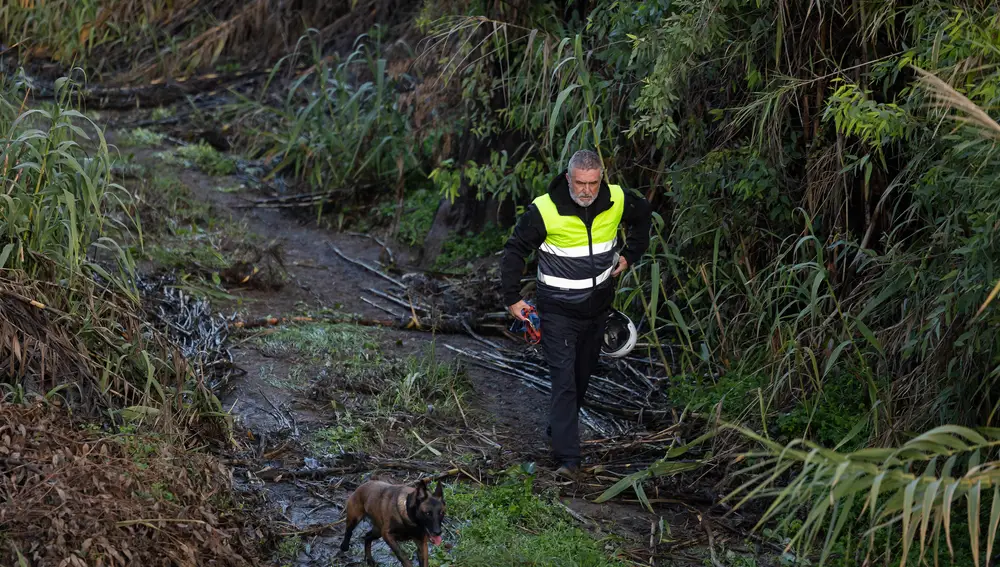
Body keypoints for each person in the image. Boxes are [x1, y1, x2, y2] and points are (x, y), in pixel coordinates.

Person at [500, 149, 651, 479]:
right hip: (557, 311)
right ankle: (569, 460)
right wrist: (512, 297)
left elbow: (643, 216)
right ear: (569, 178)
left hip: (598, 309)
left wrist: (630, 255)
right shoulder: (545, 210)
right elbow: (514, 249)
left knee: (581, 377)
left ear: (602, 179)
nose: (586, 191)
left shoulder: (617, 200)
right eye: (580, 183)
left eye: (593, 183)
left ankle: (559, 429)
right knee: (565, 382)